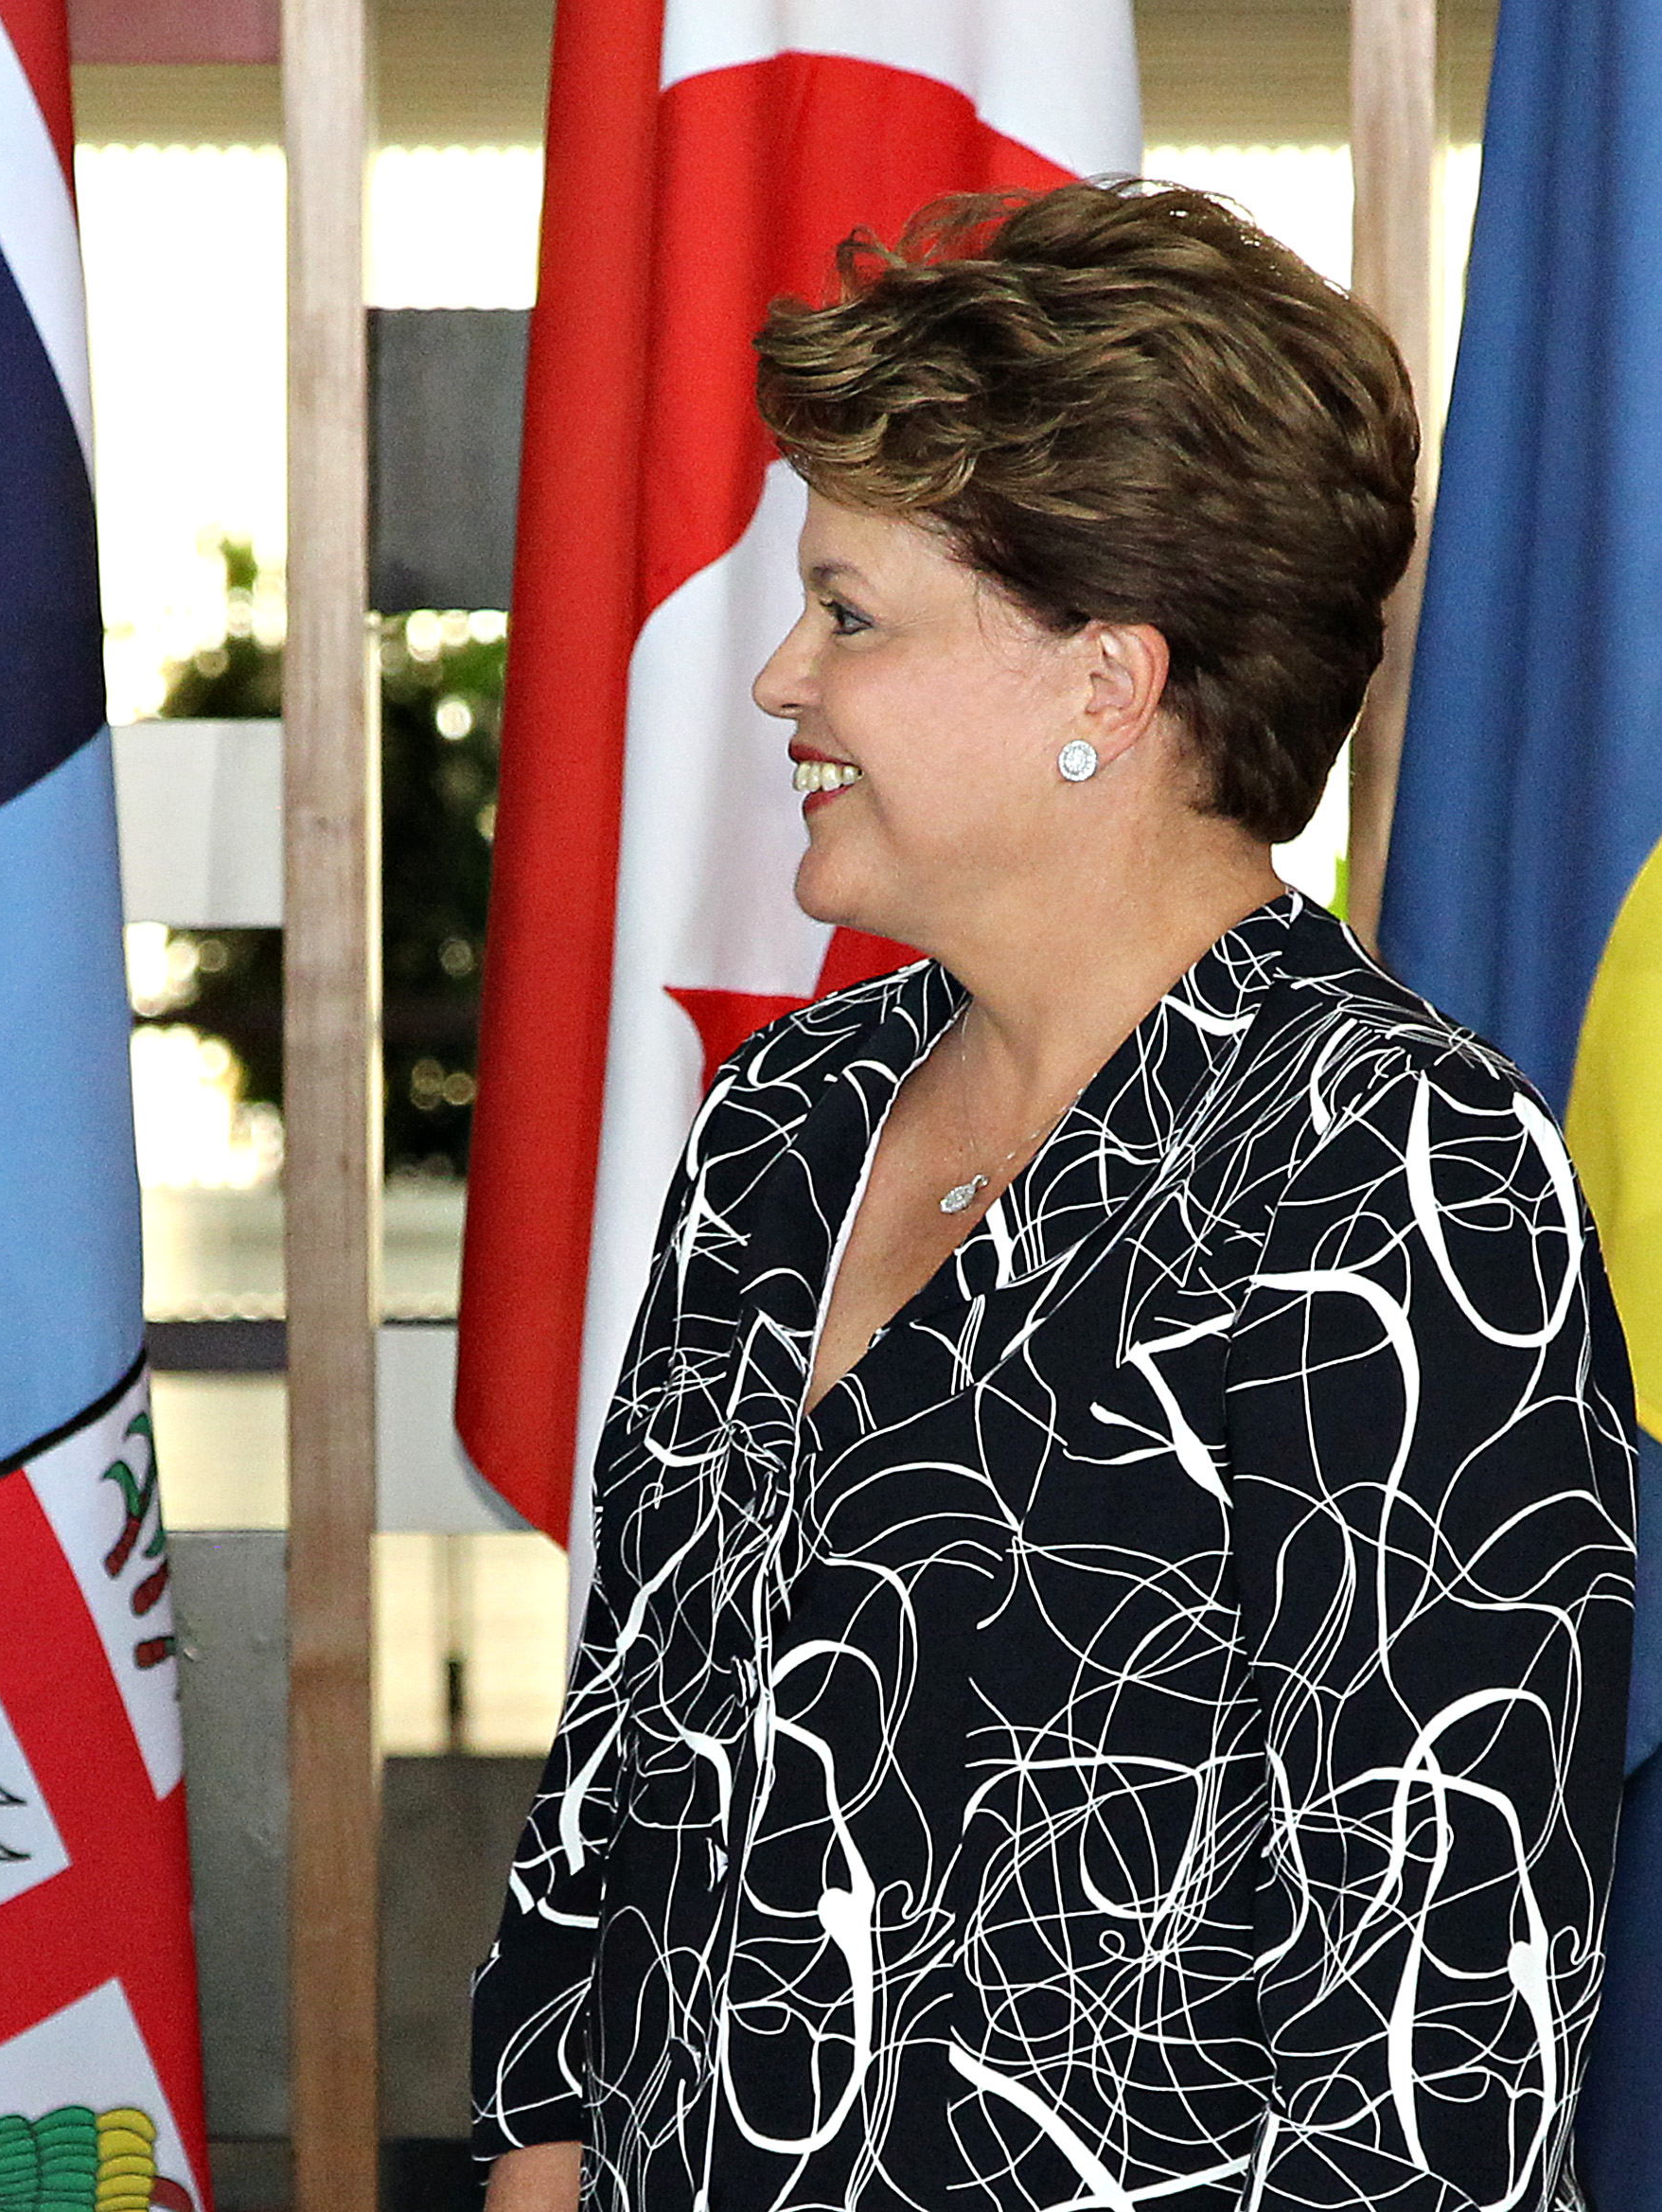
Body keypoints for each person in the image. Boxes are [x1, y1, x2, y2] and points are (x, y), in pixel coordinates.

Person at [470, 180, 1637, 2212]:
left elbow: (1428, 2068)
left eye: (849, 612)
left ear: (1106, 682)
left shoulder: (1403, 1179)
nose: (778, 678)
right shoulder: (785, 1119)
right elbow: (615, 1805)